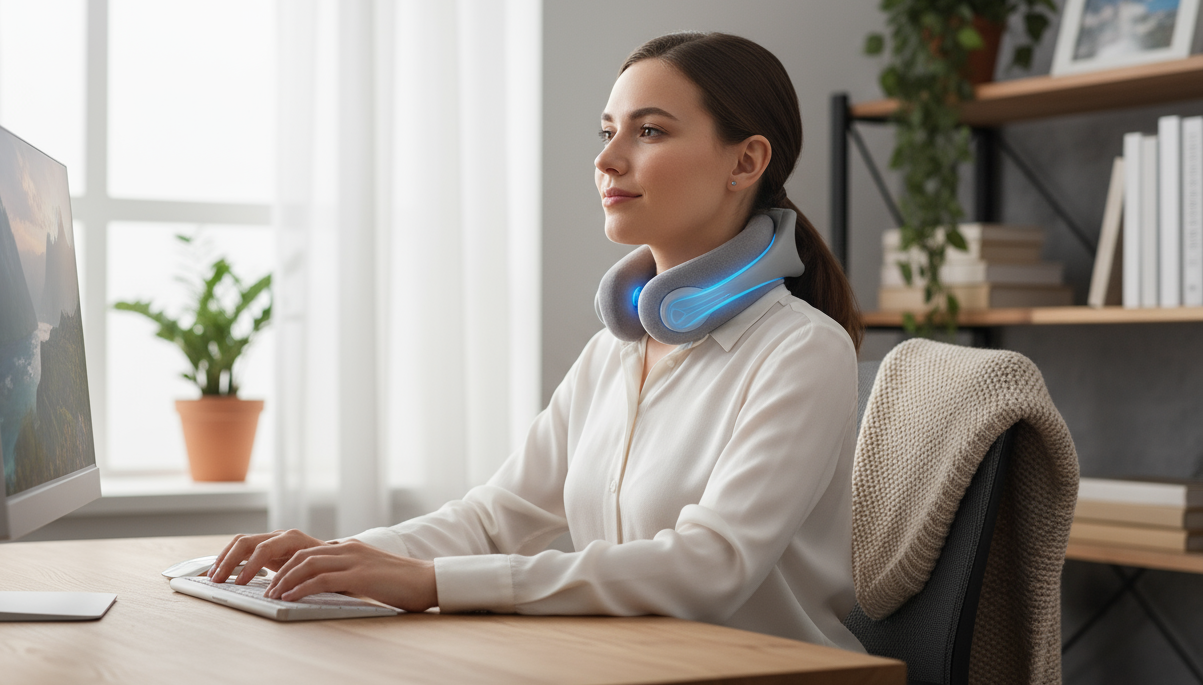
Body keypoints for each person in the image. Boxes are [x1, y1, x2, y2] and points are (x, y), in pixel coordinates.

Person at [210, 32, 866, 651]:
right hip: (634, 675)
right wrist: (340, 558)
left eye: (649, 131)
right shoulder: (615, 351)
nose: (607, 160)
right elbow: (495, 518)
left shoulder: (803, 351)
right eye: (608, 132)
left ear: (746, 161)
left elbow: (709, 565)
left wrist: (434, 584)